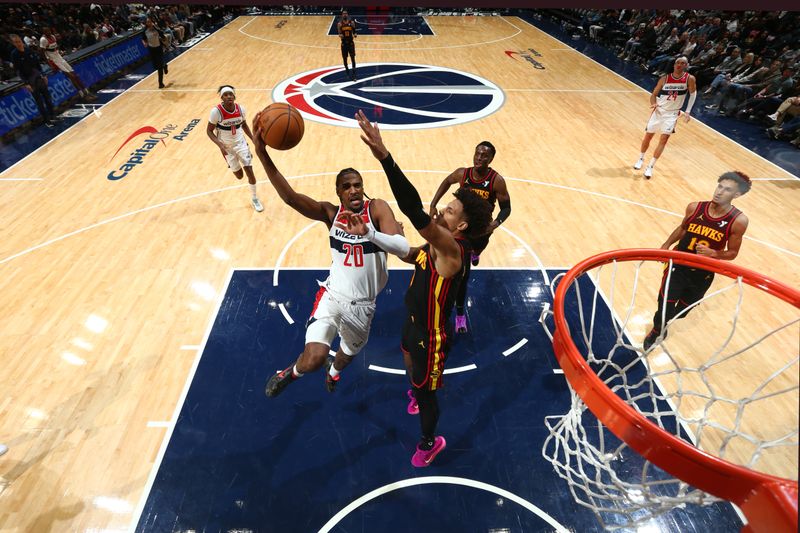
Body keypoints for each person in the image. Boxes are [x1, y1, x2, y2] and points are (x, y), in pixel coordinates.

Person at [356, 109, 493, 467]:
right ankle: (416, 389)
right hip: (412, 323)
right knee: (405, 355)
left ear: (460, 225)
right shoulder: (436, 245)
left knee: (426, 393)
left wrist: (385, 157)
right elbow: (410, 254)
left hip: (431, 336)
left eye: (448, 211)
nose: (441, 212)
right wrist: (372, 235)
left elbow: (413, 209)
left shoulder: (452, 250)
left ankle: (430, 440)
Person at [251, 110, 409, 397]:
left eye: (358, 185)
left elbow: (403, 249)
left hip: (363, 306)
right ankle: (291, 372)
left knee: (345, 356)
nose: (354, 190)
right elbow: (290, 198)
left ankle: (335, 373)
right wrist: (262, 153)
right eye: (347, 186)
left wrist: (372, 234)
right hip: (332, 296)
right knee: (313, 359)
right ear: (338, 192)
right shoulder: (330, 213)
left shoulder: (377, 209)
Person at [643, 171, 751, 351]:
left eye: (727, 190)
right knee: (665, 305)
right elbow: (683, 228)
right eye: (719, 186)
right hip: (678, 265)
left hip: (703, 273)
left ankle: (666, 319)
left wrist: (713, 253)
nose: (719, 192)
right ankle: (656, 331)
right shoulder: (694, 208)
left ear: (737, 195)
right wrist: (666, 244)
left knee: (682, 312)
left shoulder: (738, 221)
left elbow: (732, 253)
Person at [427, 142, 511, 333]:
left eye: (484, 156)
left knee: (476, 252)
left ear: (491, 160)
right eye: (477, 154)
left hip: (481, 229)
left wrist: (494, 224)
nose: (479, 158)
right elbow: (447, 182)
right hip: (461, 230)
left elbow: (507, 208)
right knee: (461, 277)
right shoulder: (462, 174)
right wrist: (433, 204)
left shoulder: (496, 181)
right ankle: (459, 314)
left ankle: (476, 253)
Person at [634, 56, 697, 179]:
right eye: (678, 63)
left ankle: (650, 166)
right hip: (659, 111)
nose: (679, 65)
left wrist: (688, 111)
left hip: (672, 114)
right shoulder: (664, 79)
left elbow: (693, 94)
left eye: (683, 63)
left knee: (663, 140)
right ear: (674, 65)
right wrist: (653, 103)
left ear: (686, 65)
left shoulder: (689, 78)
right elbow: (653, 95)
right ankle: (640, 158)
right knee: (648, 136)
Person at [206, 86, 263, 212]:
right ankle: (229, 162)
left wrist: (253, 139)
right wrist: (220, 145)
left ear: (234, 96)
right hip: (226, 148)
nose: (228, 96)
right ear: (222, 98)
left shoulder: (241, 109)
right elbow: (209, 131)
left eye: (230, 94)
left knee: (250, 171)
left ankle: (254, 198)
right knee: (239, 176)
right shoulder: (216, 112)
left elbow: (243, 125)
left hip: (241, 144)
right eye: (225, 95)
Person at [9, 34, 56, 128]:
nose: (18, 43)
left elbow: (37, 64)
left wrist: (43, 75)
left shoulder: (28, 50)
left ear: (21, 40)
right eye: (15, 42)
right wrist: (26, 83)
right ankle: (47, 121)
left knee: (48, 98)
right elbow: (18, 71)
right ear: (13, 43)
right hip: (30, 81)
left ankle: (53, 116)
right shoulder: (14, 54)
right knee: (39, 102)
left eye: (19, 41)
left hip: (39, 77)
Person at [40, 27, 95, 101]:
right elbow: (41, 52)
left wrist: (60, 52)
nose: (48, 32)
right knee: (72, 76)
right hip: (54, 61)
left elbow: (55, 48)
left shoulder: (53, 36)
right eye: (46, 31)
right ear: (43, 32)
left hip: (60, 58)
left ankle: (86, 92)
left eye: (49, 30)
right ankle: (83, 95)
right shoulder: (43, 40)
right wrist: (49, 64)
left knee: (75, 75)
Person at [142, 17, 168, 89]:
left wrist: (164, 40)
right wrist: (144, 43)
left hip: (158, 48)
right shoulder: (145, 31)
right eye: (148, 22)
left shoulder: (156, 29)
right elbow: (143, 39)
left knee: (159, 67)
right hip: (151, 49)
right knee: (156, 66)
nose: (149, 23)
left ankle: (160, 83)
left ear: (152, 22)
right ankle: (164, 65)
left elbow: (163, 37)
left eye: (150, 21)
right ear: (146, 23)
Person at [337, 10, 357, 81]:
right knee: (345, 59)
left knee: (353, 58)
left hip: (351, 43)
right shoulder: (339, 24)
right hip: (344, 43)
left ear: (347, 15)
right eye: (343, 14)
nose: (345, 15)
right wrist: (340, 35)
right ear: (342, 15)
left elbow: (354, 31)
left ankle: (354, 74)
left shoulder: (351, 22)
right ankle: (347, 70)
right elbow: (339, 33)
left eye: (346, 13)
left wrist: (355, 34)